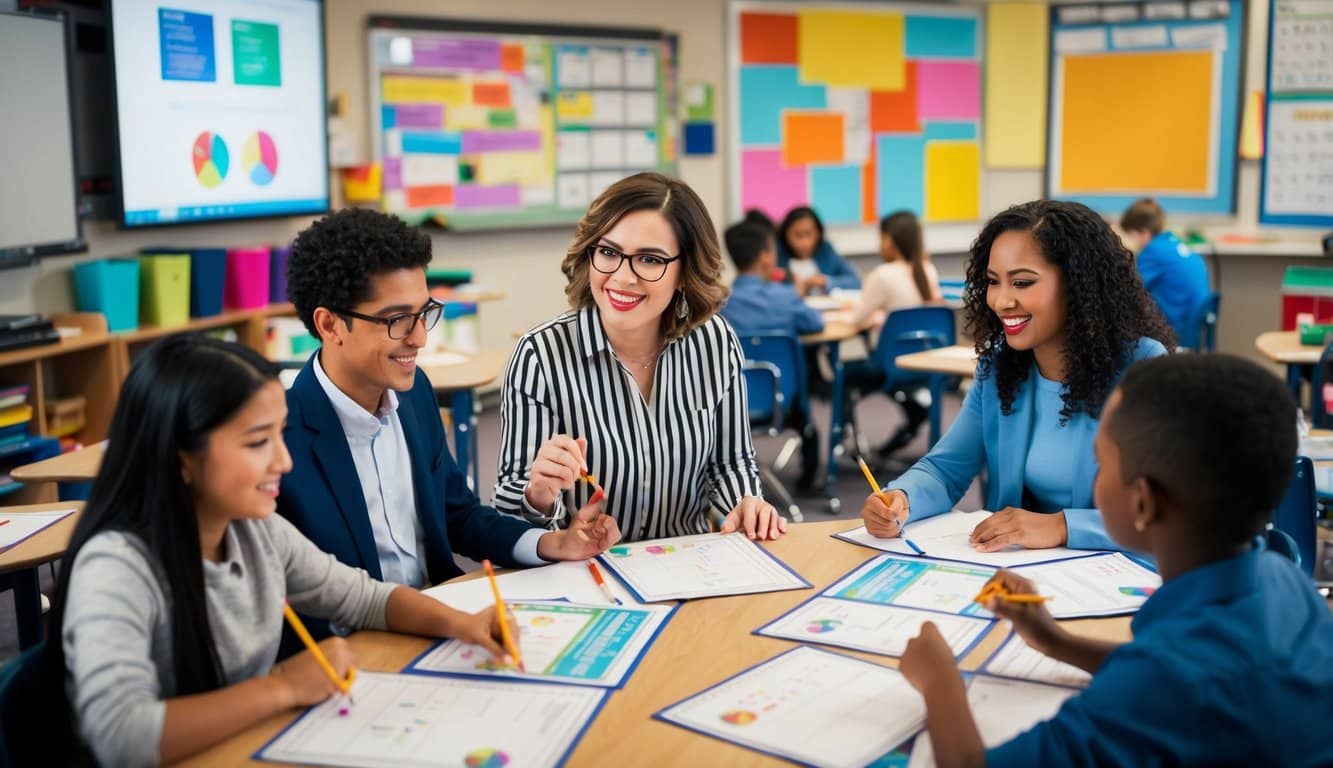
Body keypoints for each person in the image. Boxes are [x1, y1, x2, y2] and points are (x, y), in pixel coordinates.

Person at [40, 335, 520, 767]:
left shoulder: (255, 530)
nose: (284, 461)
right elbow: (122, 737)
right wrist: (283, 687)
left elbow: (365, 598)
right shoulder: (117, 568)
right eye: (257, 442)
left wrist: (462, 623)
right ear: (182, 457)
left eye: (280, 434)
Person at [898, 354, 1333, 767]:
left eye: (1100, 464)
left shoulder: (1163, 681)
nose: (1095, 474)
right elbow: (1164, 674)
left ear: (1143, 503)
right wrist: (1053, 640)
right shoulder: (1282, 579)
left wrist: (939, 681)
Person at [280, 209, 617, 600]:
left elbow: (459, 516)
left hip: (440, 613)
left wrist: (553, 543)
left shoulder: (414, 394)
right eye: (397, 320)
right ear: (330, 325)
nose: (420, 338)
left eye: (424, 313)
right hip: (353, 643)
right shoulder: (282, 439)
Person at [860, 200, 1175, 552]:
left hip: (1106, 579)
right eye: (994, 282)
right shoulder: (1000, 366)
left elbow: (1166, 510)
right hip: (1017, 572)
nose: (1001, 301)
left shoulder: (1141, 366)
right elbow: (945, 470)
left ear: (1079, 285)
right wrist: (901, 498)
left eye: (1022, 282)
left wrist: (1062, 527)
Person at [494, 172, 785, 541]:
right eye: (609, 252)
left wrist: (745, 502)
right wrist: (539, 497)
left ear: (685, 271)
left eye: (649, 259)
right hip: (584, 572)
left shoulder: (713, 340)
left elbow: (730, 462)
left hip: (689, 565)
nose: (622, 276)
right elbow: (508, 515)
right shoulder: (540, 355)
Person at [720, 217, 825, 491]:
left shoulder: (720, 303)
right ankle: (808, 483)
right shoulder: (785, 297)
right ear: (766, 256)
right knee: (808, 419)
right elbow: (815, 324)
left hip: (731, 404)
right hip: (785, 402)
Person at [845, 210, 944, 458]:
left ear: (889, 240)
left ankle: (844, 439)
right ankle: (913, 412)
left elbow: (856, 320)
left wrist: (855, 312)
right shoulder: (927, 270)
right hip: (924, 362)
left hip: (889, 365)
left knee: (840, 377)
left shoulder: (883, 275)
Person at [1119, 197, 1210, 347]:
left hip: (1178, 328)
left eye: (1131, 235)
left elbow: (1129, 288)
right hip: (1195, 326)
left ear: (1144, 232)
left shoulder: (1153, 252)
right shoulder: (1175, 243)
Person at [776, 206, 861, 296]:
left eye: (808, 234)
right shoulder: (776, 254)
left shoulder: (825, 250)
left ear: (818, 233)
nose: (804, 243)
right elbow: (765, 288)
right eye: (798, 235)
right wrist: (792, 289)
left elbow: (855, 282)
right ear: (785, 234)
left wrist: (826, 281)